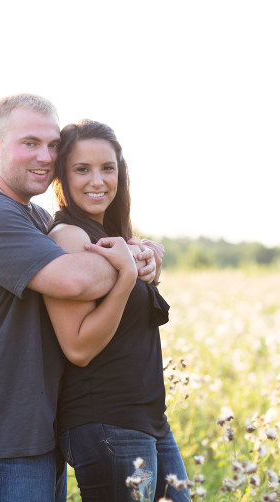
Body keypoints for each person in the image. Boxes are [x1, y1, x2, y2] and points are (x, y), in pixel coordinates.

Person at [0, 94, 160, 501]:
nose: (45, 156)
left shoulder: (35, 217)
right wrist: (133, 258)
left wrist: (141, 252)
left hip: (36, 430)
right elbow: (75, 281)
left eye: (52, 145)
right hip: (2, 436)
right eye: (30, 143)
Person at [44, 119, 190, 502]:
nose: (97, 181)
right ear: (62, 177)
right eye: (82, 169)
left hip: (147, 421)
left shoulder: (110, 235)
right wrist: (127, 276)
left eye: (107, 168)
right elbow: (78, 348)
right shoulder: (69, 236)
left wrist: (146, 263)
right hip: (107, 422)